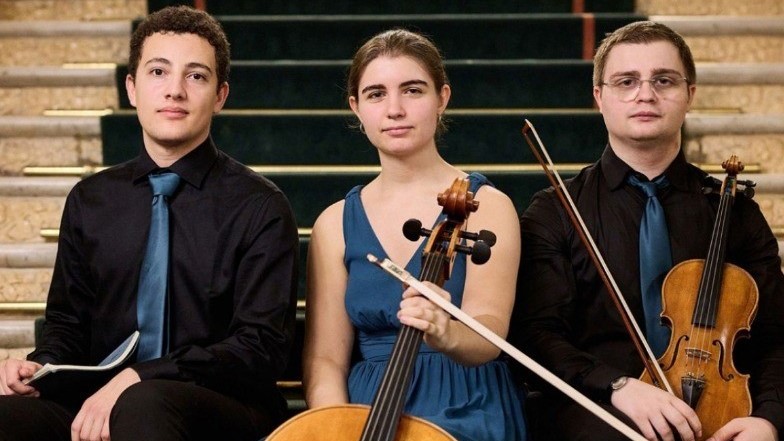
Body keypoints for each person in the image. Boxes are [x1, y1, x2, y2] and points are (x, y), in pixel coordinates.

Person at [0, 6, 298, 441]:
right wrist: (39, 367)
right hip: (99, 401)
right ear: (132, 88)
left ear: (220, 95)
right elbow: (67, 326)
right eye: (158, 72)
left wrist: (142, 376)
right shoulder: (90, 200)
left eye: (196, 76)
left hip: (220, 405)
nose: (175, 90)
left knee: (145, 404)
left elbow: (259, 347)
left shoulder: (260, 206)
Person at [512, 20, 784, 441]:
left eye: (664, 80)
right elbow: (537, 335)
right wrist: (618, 386)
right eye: (627, 81)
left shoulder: (735, 212)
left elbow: (776, 337)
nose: (646, 94)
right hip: (600, 407)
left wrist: (767, 419)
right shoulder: (555, 210)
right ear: (599, 97)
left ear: (690, 94)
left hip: (724, 407)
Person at [301, 29, 526, 441]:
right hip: (367, 409)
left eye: (413, 90)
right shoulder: (334, 223)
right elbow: (326, 361)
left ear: (442, 98)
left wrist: (446, 331)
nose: (395, 109)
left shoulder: (488, 206)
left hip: (465, 402)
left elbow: (489, 331)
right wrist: (334, 428)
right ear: (356, 108)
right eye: (375, 94)